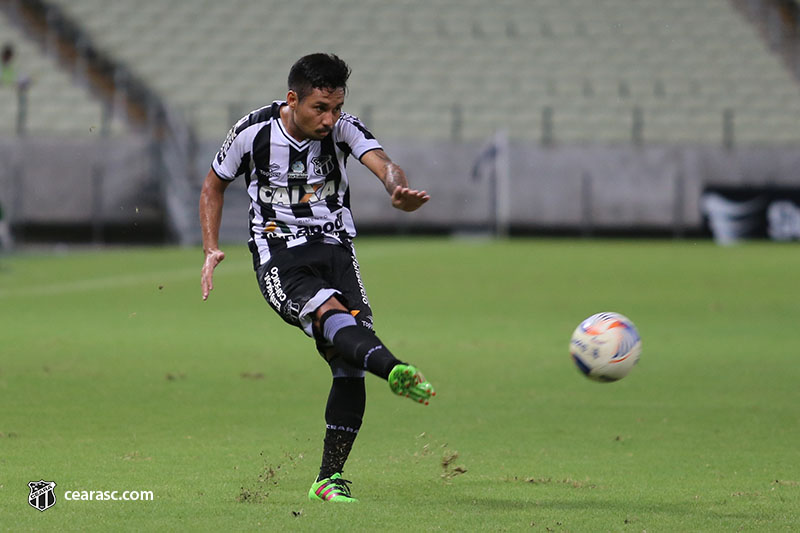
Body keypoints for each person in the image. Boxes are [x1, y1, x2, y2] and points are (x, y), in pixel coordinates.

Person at [199, 53, 435, 503]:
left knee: (349, 360)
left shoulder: (344, 127)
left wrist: (396, 189)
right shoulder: (253, 131)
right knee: (329, 314)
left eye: (336, 108)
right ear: (293, 99)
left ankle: (329, 478)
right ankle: (396, 369)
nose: (330, 119)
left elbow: (384, 163)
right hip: (280, 254)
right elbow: (214, 185)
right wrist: (211, 246)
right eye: (320, 109)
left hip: (335, 249)